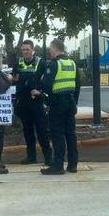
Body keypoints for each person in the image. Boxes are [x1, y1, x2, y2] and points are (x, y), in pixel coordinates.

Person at [39, 39, 81, 175]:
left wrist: (47, 99)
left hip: (57, 104)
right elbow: (78, 86)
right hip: (70, 103)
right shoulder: (72, 63)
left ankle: (58, 166)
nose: (49, 51)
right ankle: (73, 164)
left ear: (56, 48)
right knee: (70, 133)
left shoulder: (54, 64)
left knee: (57, 134)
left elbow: (46, 84)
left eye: (50, 49)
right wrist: (74, 102)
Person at [13, 40, 53, 165]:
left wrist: (39, 91)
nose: (25, 52)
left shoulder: (40, 62)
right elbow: (14, 80)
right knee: (27, 131)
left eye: (27, 49)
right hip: (23, 101)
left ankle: (48, 158)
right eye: (23, 50)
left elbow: (46, 81)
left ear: (33, 49)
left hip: (36, 101)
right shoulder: (18, 62)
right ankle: (31, 157)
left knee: (42, 131)